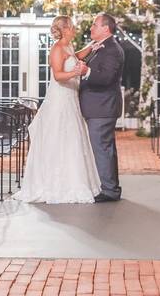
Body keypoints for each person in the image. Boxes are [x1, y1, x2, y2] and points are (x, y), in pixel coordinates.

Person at [14, 15, 101, 203]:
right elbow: (59, 75)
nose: (75, 29)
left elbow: (74, 56)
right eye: (72, 27)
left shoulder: (68, 46)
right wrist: (76, 72)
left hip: (71, 98)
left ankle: (74, 181)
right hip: (60, 98)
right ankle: (54, 184)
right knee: (59, 137)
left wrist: (90, 48)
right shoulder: (56, 49)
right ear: (65, 30)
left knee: (73, 139)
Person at [79, 12, 124, 202]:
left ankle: (110, 190)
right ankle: (109, 186)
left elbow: (106, 78)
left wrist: (86, 71)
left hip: (102, 107)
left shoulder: (112, 49)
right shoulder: (101, 47)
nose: (91, 28)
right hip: (99, 107)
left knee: (102, 148)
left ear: (105, 28)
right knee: (105, 148)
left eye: (94, 25)